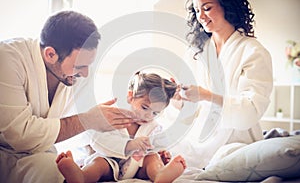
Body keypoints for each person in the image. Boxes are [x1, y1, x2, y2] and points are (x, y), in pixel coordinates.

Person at [0, 10, 135, 183]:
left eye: (88, 65)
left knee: (53, 171)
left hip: (35, 155)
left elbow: (86, 130)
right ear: (50, 54)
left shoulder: (78, 76)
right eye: (79, 66)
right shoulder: (8, 60)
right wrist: (87, 120)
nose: (85, 74)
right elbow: (21, 135)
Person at [171, 0, 273, 168]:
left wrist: (206, 95)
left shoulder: (253, 52)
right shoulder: (197, 52)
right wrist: (178, 98)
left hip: (235, 141)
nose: (201, 16)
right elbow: (188, 110)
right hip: (199, 139)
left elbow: (250, 110)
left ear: (227, 5)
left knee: (226, 160)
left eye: (207, 8)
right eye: (197, 10)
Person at [56, 71, 187, 183]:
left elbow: (158, 146)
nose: (148, 115)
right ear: (131, 97)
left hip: (137, 167)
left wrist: (162, 154)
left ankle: (160, 175)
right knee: (99, 164)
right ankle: (82, 176)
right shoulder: (114, 117)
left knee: (152, 159)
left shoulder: (154, 127)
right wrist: (129, 145)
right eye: (144, 107)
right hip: (110, 161)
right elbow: (98, 141)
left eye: (155, 113)